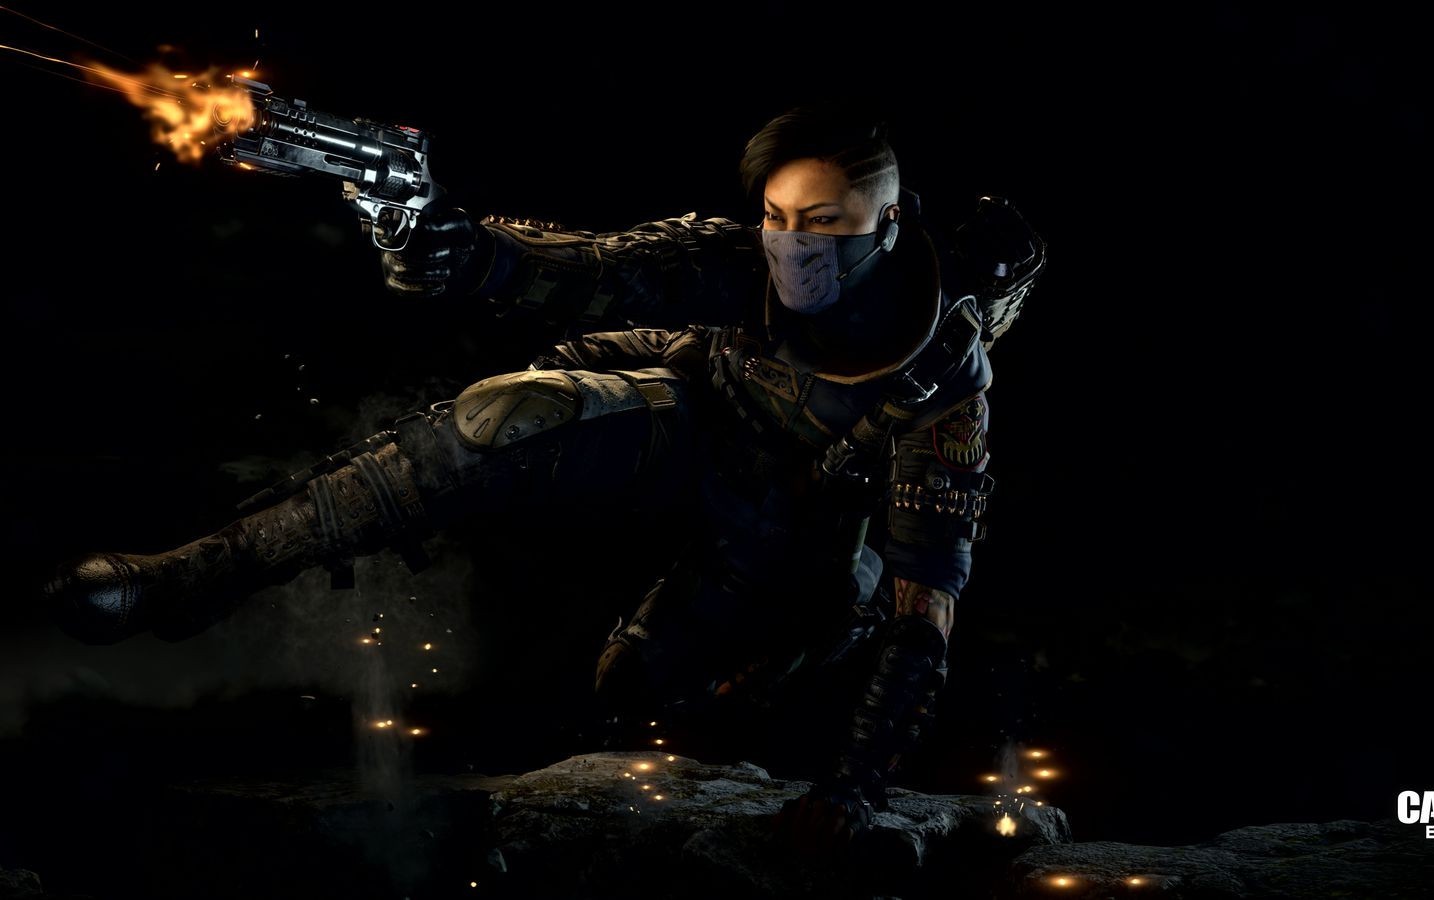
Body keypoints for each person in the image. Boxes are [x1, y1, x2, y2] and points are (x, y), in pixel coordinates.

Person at [45, 106, 1044, 850]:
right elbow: (586, 266)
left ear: (887, 223)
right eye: (777, 216)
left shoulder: (941, 385)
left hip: (796, 529)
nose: (792, 244)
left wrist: (853, 789)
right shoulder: (738, 262)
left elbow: (925, 611)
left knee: (642, 687)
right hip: (702, 420)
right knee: (502, 416)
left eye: (822, 221)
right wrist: (457, 246)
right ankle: (200, 571)